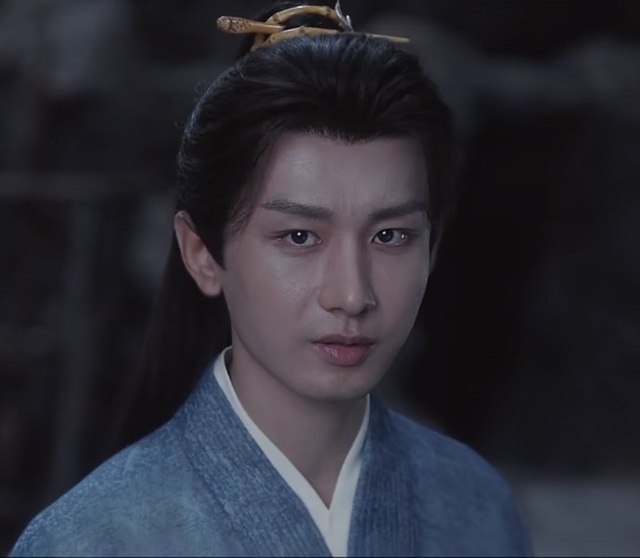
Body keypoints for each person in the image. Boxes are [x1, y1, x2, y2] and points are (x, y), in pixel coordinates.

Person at [10, 2, 531, 556]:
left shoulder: (477, 504)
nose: (352, 295)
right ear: (201, 253)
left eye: (390, 236)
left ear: (433, 247)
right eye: (300, 237)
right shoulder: (90, 539)